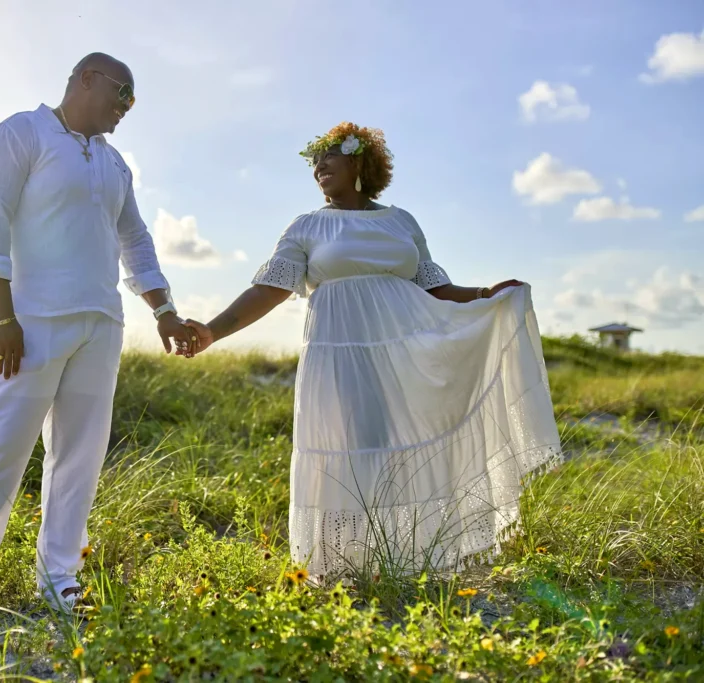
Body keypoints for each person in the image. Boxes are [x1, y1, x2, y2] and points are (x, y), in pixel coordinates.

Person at [182, 123, 561, 581]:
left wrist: (486, 292)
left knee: (395, 448)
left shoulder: (401, 222)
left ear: (360, 163)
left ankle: (399, 558)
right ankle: (343, 565)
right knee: (354, 446)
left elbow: (435, 287)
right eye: (314, 162)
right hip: (340, 350)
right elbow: (268, 289)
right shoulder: (307, 226)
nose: (319, 168)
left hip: (406, 350)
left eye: (328, 158)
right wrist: (212, 331)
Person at [0, 53, 195, 618]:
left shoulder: (116, 164)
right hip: (32, 324)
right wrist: (2, 316)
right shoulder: (23, 133)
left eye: (134, 101)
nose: (126, 107)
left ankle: (59, 577)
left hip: (102, 324)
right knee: (4, 445)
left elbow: (135, 238)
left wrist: (163, 309)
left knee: (80, 453)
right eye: (123, 93)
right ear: (86, 79)